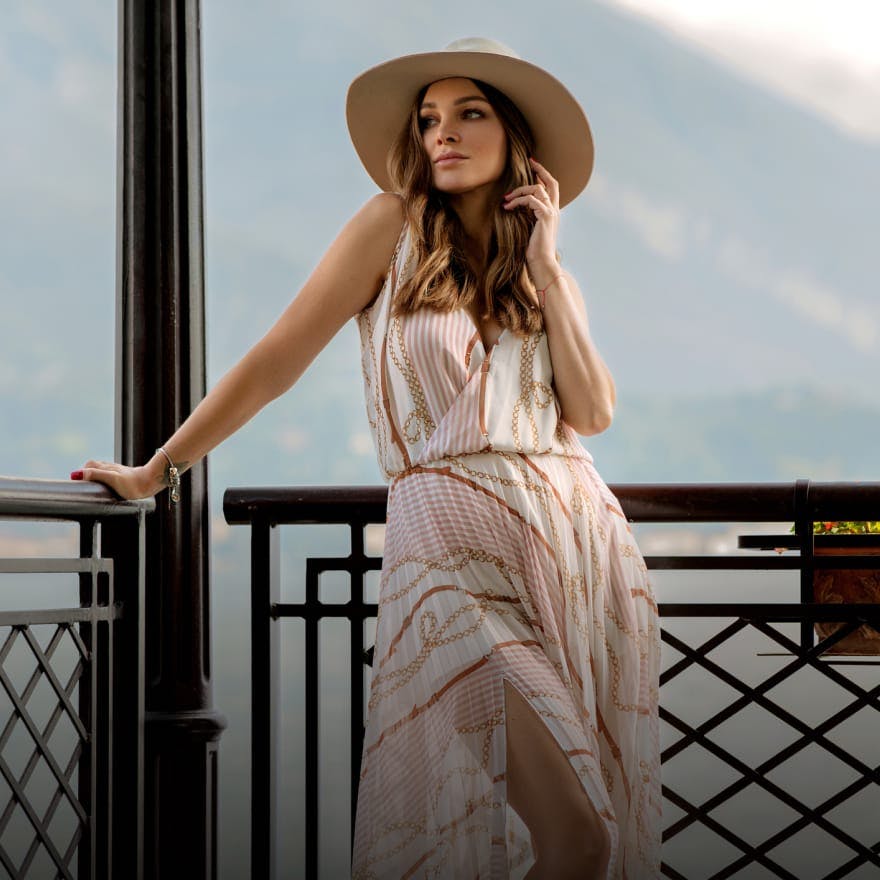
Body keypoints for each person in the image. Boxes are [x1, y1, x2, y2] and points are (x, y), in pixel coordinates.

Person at [73, 37, 661, 879]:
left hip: (571, 556)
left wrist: (548, 268)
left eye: (469, 114)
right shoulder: (389, 228)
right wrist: (158, 468)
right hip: (447, 564)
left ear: (516, 137)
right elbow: (276, 358)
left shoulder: (540, 274)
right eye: (429, 120)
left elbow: (593, 412)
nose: (442, 135)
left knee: (589, 836)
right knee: (580, 836)